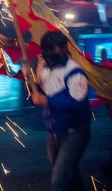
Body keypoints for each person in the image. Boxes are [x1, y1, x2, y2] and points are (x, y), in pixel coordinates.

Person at [30, 31, 91, 191]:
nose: (48, 52)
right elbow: (39, 93)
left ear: (64, 48)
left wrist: (47, 101)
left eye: (52, 48)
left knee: (59, 180)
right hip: (53, 131)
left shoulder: (74, 71)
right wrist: (32, 82)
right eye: (46, 49)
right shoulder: (44, 68)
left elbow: (77, 102)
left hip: (75, 131)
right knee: (69, 174)